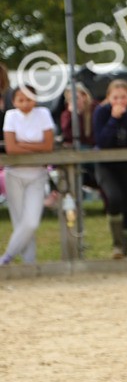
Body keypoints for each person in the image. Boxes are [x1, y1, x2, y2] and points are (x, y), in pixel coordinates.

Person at [0, 85, 56, 265]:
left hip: (37, 174)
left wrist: (22, 144)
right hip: (14, 175)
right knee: (19, 222)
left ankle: (6, 256)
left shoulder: (43, 114)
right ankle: (29, 263)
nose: (25, 103)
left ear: (35, 99)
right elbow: (11, 148)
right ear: (14, 101)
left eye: (28, 99)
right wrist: (34, 148)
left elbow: (48, 146)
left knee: (31, 221)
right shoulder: (11, 116)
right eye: (20, 100)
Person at [93, 78, 127, 258]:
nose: (119, 102)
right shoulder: (101, 112)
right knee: (114, 198)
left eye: (123, 98)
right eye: (115, 98)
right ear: (108, 97)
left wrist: (126, 118)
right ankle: (117, 244)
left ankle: (124, 250)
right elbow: (102, 141)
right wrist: (114, 119)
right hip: (106, 166)